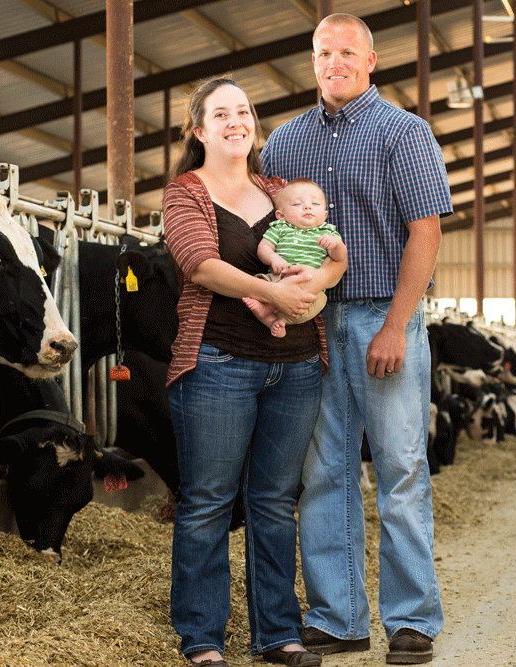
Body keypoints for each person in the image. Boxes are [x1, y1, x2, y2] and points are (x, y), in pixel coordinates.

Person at [259, 13, 452, 665]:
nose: (333, 62)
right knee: (322, 471)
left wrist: (399, 321)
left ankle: (412, 618)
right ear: (310, 62)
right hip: (311, 320)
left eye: (346, 51)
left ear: (372, 60)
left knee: (399, 465)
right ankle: (338, 617)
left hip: (381, 315)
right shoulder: (283, 147)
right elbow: (268, 236)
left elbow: (424, 231)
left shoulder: (405, 133)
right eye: (322, 52)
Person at [163, 77, 346, 667]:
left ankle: (279, 635)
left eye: (243, 111)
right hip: (217, 362)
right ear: (200, 130)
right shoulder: (184, 192)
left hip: (294, 368)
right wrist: (275, 295)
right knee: (209, 500)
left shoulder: (281, 191)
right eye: (221, 114)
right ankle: (203, 639)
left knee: (273, 500)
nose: (236, 121)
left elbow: (328, 255)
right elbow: (200, 265)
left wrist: (312, 285)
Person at [243, 178, 347, 338]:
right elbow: (264, 248)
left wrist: (337, 245)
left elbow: (340, 259)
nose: (307, 206)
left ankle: (270, 311)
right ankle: (272, 321)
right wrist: (273, 258)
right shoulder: (280, 228)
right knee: (257, 287)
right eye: (297, 204)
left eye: (315, 204)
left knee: (319, 300)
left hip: (310, 290)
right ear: (280, 215)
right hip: (277, 280)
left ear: (325, 215)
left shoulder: (328, 233)